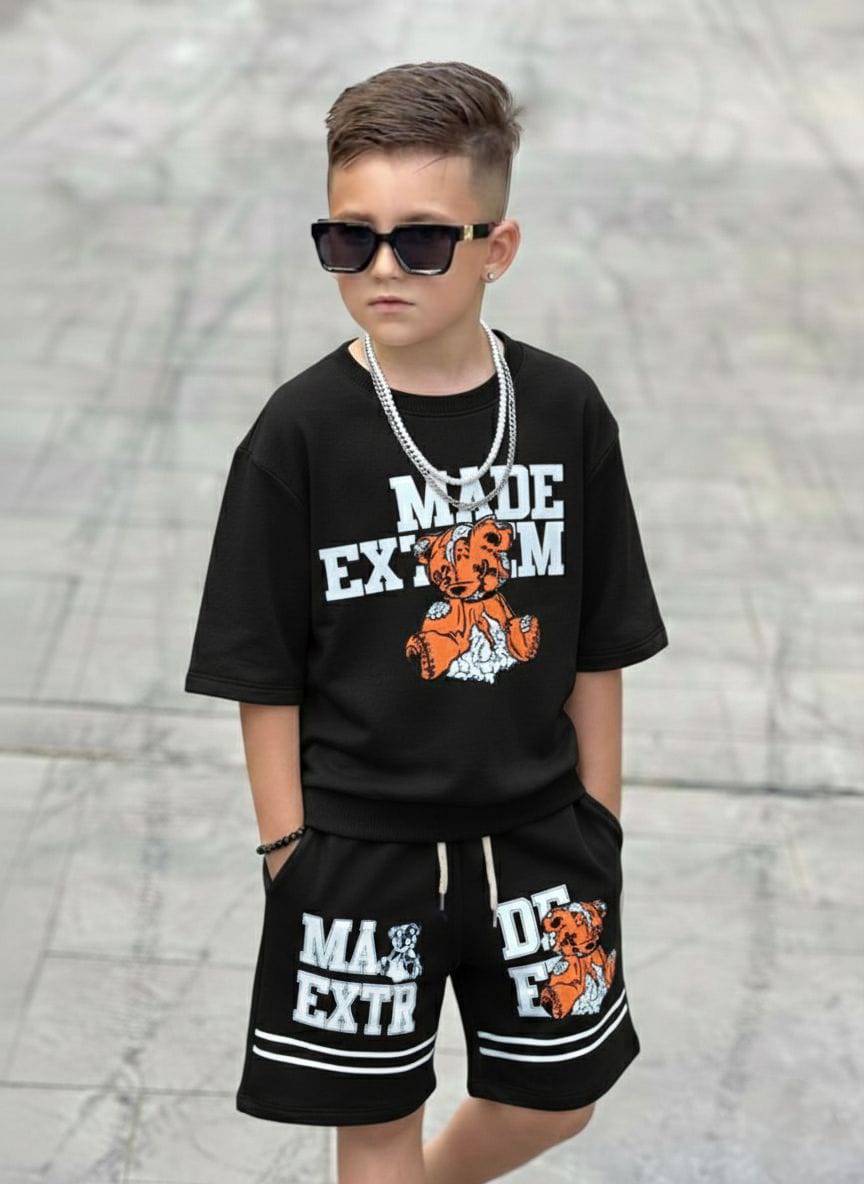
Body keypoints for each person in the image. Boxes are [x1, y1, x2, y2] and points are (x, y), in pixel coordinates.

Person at [183, 59, 669, 1184]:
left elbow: (600, 642)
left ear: (497, 248)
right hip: (360, 852)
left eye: (423, 241)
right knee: (375, 1132)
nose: (382, 268)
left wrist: (600, 821)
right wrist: (288, 851)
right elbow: (262, 669)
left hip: (541, 837)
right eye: (349, 239)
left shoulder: (564, 408)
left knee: (558, 1100)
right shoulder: (301, 431)